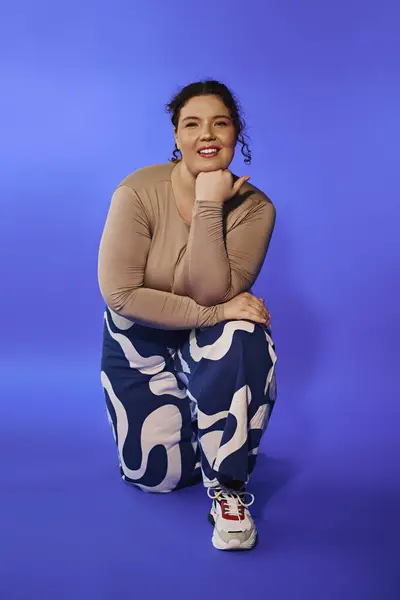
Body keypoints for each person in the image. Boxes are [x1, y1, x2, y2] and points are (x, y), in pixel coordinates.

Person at [97, 79, 277, 551]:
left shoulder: (256, 209)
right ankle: (202, 426)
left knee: (242, 327)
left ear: (237, 134)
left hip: (209, 342)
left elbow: (210, 288)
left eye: (220, 123)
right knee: (155, 478)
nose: (207, 134)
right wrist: (215, 309)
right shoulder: (137, 191)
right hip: (140, 339)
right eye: (192, 124)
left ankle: (229, 485)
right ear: (176, 136)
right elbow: (120, 295)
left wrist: (209, 204)